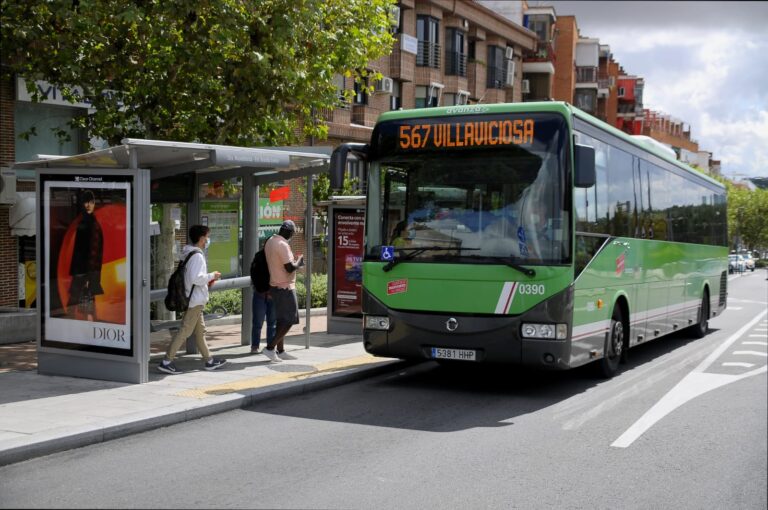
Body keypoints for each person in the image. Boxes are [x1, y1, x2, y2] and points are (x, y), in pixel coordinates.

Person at [158, 225, 228, 374]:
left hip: (195, 299)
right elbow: (196, 278)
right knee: (185, 331)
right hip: (195, 300)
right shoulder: (197, 256)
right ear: (202, 238)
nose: (208, 239)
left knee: (200, 332)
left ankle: (209, 361)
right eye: (207, 237)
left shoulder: (189, 253)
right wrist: (212, 275)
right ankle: (166, 361)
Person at [262, 219, 304, 362]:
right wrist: (299, 262)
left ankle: (280, 351)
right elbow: (289, 267)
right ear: (290, 232)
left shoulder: (270, 241)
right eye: (292, 233)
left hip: (274, 285)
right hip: (285, 286)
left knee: (281, 319)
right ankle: (269, 348)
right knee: (290, 319)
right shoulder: (283, 245)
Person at [68, 190, 104, 321]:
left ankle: (83, 327)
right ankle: (90, 327)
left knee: (76, 300)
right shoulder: (86, 222)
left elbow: (94, 252)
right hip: (84, 270)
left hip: (85, 271)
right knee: (87, 301)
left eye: (91, 202)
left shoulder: (90, 224)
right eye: (86, 202)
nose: (88, 205)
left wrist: (89, 275)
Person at [250, 276, 276, 354]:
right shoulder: (259, 264)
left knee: (272, 324)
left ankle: (270, 347)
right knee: (258, 323)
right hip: (260, 294)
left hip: (273, 295)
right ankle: (255, 346)